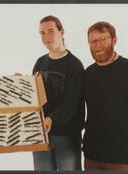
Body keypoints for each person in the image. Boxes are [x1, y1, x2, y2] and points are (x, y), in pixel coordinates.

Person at [83, 21, 128, 170]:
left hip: (124, 158)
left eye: (103, 39)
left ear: (114, 40)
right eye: (93, 41)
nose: (98, 45)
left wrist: (127, 137)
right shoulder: (88, 74)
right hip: (92, 157)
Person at [32, 15, 85, 171]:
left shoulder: (74, 65)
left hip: (66, 137)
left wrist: (51, 118)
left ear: (62, 32)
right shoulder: (39, 62)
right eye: (42, 33)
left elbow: (72, 103)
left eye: (51, 31)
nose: (46, 37)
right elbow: (35, 97)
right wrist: (22, 85)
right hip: (40, 135)